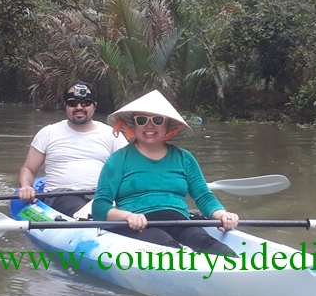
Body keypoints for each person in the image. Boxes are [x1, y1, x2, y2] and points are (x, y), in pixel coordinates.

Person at [92, 90, 238, 256]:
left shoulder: (184, 158)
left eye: (158, 120)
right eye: (142, 120)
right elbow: (99, 206)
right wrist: (127, 216)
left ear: (168, 125)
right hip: (138, 226)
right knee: (167, 247)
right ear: (134, 125)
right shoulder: (118, 159)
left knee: (215, 247)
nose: (149, 126)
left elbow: (203, 196)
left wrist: (222, 214)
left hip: (180, 222)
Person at [18, 82, 128, 216]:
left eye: (85, 103)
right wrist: (26, 186)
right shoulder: (48, 133)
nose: (79, 107)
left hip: (101, 195)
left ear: (94, 105)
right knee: (84, 210)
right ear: (65, 106)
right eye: (72, 103)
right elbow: (28, 169)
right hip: (61, 195)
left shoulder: (112, 135)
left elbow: (129, 169)